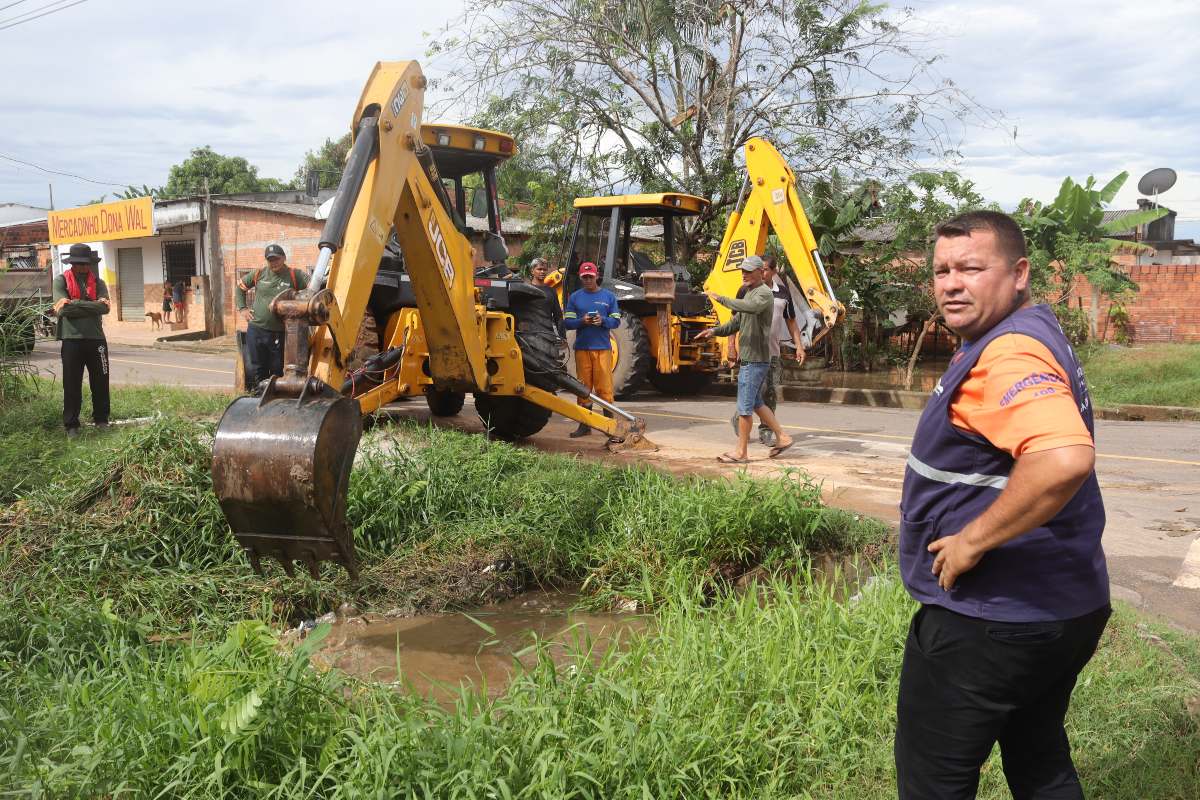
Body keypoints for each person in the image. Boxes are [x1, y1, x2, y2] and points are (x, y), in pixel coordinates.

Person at [894, 210, 1110, 799]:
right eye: (941, 270)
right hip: (1064, 608)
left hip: (991, 619)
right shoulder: (1029, 330)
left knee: (933, 784)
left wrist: (971, 540)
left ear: (1018, 273)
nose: (951, 283)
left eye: (971, 267)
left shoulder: (1009, 353)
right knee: (1039, 758)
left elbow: (1063, 457)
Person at [697, 254, 793, 463]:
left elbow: (751, 308)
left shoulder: (764, 294)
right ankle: (783, 437)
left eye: (749, 271)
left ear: (761, 272)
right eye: (743, 271)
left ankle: (741, 452)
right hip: (750, 357)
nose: (744, 274)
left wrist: (720, 298)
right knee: (757, 402)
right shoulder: (749, 293)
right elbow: (735, 323)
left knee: (745, 406)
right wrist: (713, 331)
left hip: (757, 358)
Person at [728, 255, 806, 446]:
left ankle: (766, 431)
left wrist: (799, 346)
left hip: (772, 353)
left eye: (764, 270)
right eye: (759, 269)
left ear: (773, 271)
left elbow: (791, 322)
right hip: (751, 351)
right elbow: (734, 321)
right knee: (751, 392)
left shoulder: (783, 293)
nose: (761, 273)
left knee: (769, 392)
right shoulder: (745, 290)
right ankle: (740, 418)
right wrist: (731, 346)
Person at [52, 243, 111, 438]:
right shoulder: (60, 281)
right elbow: (63, 310)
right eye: (79, 263)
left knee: (101, 382)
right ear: (72, 263)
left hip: (96, 340)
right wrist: (91, 305)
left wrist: (75, 303)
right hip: (71, 340)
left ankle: (101, 419)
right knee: (71, 383)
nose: (84, 267)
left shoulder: (99, 283)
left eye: (87, 263)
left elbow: (104, 308)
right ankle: (71, 425)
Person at [235, 243, 310, 387]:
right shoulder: (259, 274)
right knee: (258, 366)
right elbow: (239, 289)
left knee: (277, 368)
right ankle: (259, 395)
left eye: (276, 259)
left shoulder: (295, 275)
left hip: (280, 332)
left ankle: (275, 396)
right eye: (270, 260)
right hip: (256, 329)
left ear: (284, 258)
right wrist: (243, 309)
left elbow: (313, 286)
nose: (273, 263)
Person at [562, 261, 620, 438]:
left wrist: (603, 321)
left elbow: (616, 321)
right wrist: (582, 321)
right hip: (582, 349)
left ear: (597, 276)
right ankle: (585, 425)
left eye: (590, 277)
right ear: (580, 278)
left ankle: (609, 426)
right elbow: (567, 322)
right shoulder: (575, 297)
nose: (588, 280)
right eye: (584, 277)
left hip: (603, 348)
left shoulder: (609, 297)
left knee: (605, 388)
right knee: (583, 388)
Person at [529, 257, 564, 336]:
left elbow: (558, 316)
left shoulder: (551, 291)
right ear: (532, 271)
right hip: (529, 335)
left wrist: (563, 337)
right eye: (539, 269)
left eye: (545, 269)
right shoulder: (526, 290)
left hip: (548, 334)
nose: (542, 272)